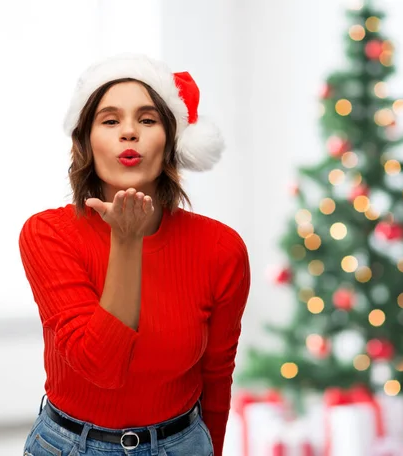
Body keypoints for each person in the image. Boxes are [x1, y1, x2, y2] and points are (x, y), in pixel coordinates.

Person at [18, 53, 250, 456]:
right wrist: (127, 243)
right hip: (69, 446)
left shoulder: (221, 249)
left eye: (147, 120)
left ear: (173, 141)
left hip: (183, 444)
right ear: (86, 142)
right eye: (110, 121)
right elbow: (101, 368)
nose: (129, 132)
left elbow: (217, 375)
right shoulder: (46, 234)